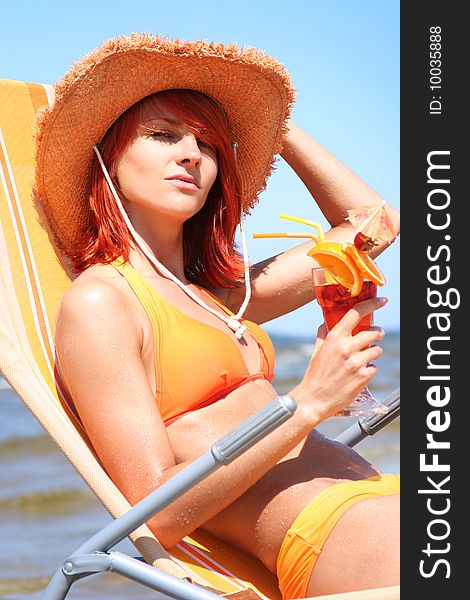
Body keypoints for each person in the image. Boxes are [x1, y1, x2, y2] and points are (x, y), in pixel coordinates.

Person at [34, 34, 400, 599]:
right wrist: (308, 404)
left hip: (380, 501)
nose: (191, 154)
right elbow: (155, 515)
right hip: (337, 535)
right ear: (105, 158)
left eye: (209, 144)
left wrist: (270, 127)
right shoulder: (103, 302)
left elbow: (373, 224)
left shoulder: (221, 295)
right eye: (163, 136)